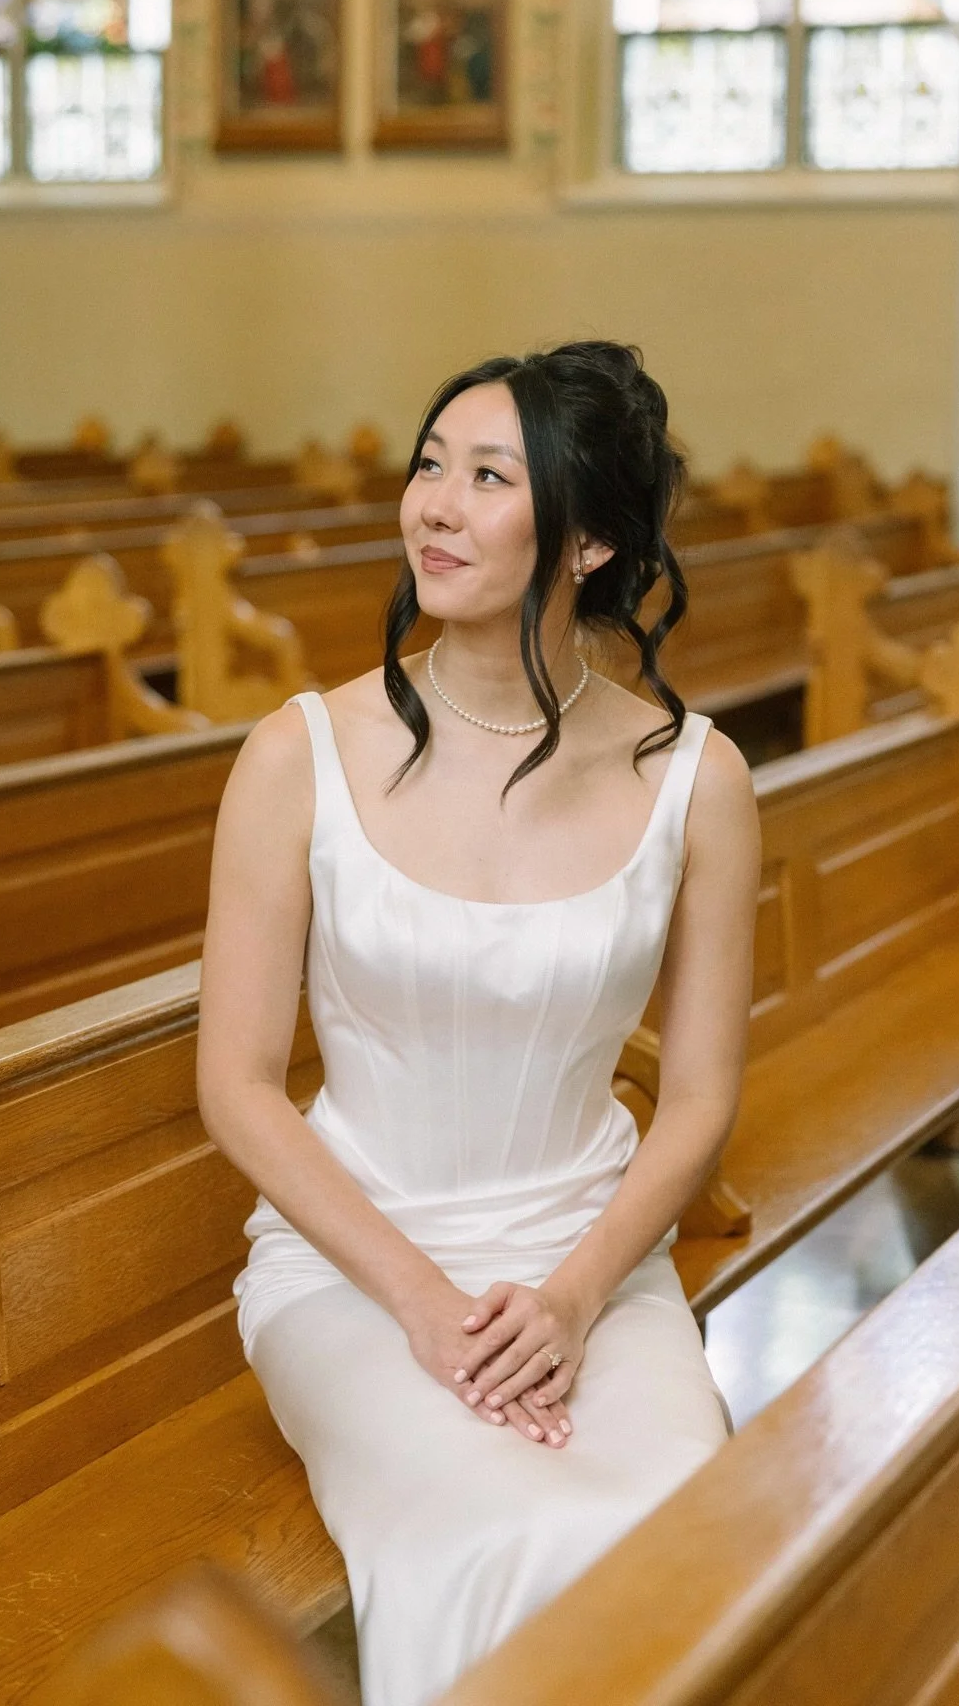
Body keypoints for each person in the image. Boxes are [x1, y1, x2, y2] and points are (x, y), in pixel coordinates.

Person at [197, 341, 762, 1705]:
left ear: (589, 541)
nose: (435, 506)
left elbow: (694, 1101)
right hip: (352, 1271)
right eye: (431, 465)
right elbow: (239, 1087)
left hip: (593, 1264)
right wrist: (424, 1303)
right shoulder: (300, 755)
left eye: (490, 476)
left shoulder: (698, 778)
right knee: (510, 1530)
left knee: (686, 1531)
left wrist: (571, 1298)